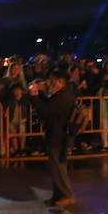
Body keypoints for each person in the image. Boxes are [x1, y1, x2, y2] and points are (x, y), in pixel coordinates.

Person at [32, 69, 76, 207]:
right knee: (55, 167)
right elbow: (49, 104)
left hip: (58, 136)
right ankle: (58, 196)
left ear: (60, 82)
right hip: (57, 134)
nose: (50, 83)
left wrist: (34, 96)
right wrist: (39, 94)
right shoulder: (62, 95)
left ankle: (67, 195)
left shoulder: (63, 97)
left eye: (52, 80)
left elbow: (46, 111)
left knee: (59, 167)